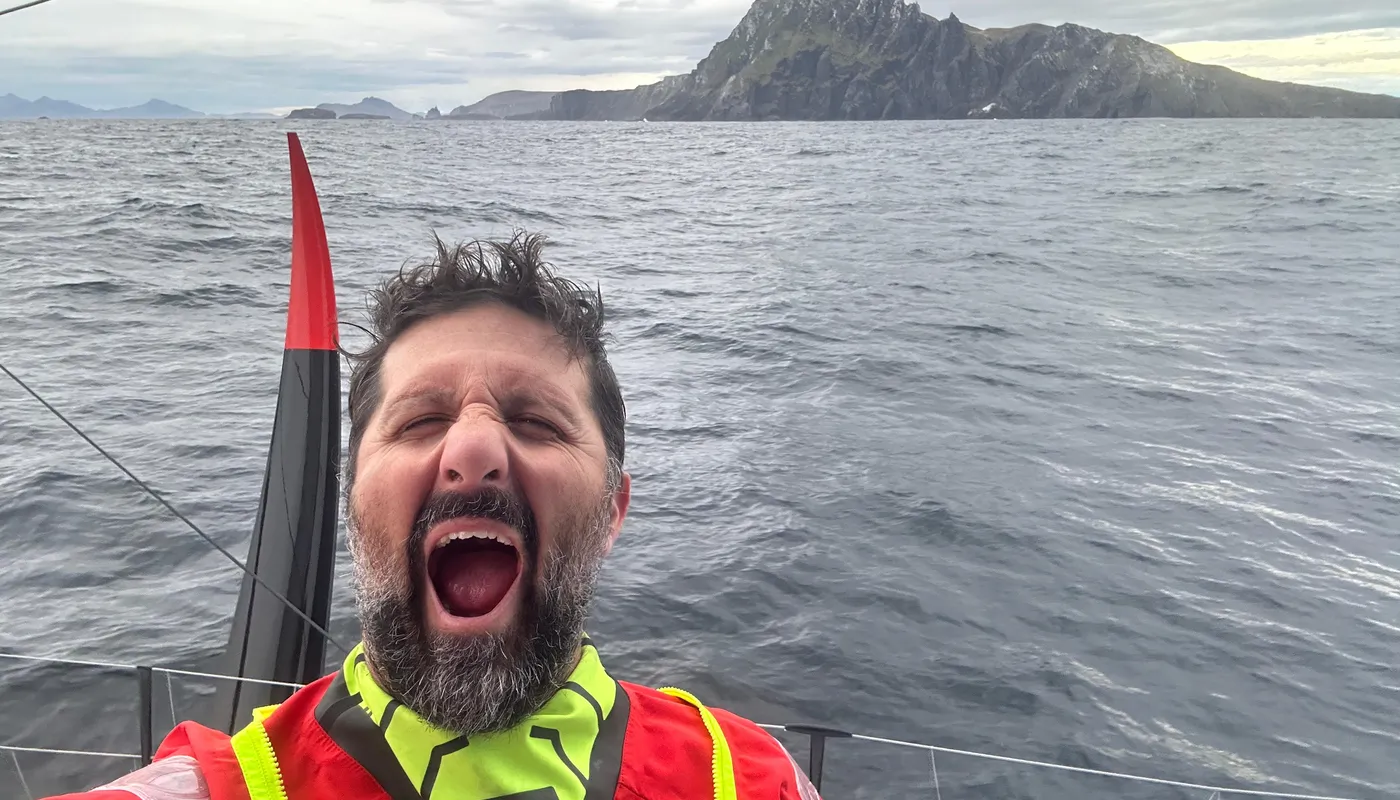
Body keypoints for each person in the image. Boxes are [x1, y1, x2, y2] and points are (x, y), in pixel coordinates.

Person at [51, 232, 821, 800]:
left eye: (538, 422)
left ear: (613, 510)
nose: (476, 449)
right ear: (352, 500)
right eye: (421, 422)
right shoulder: (221, 789)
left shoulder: (749, 779)